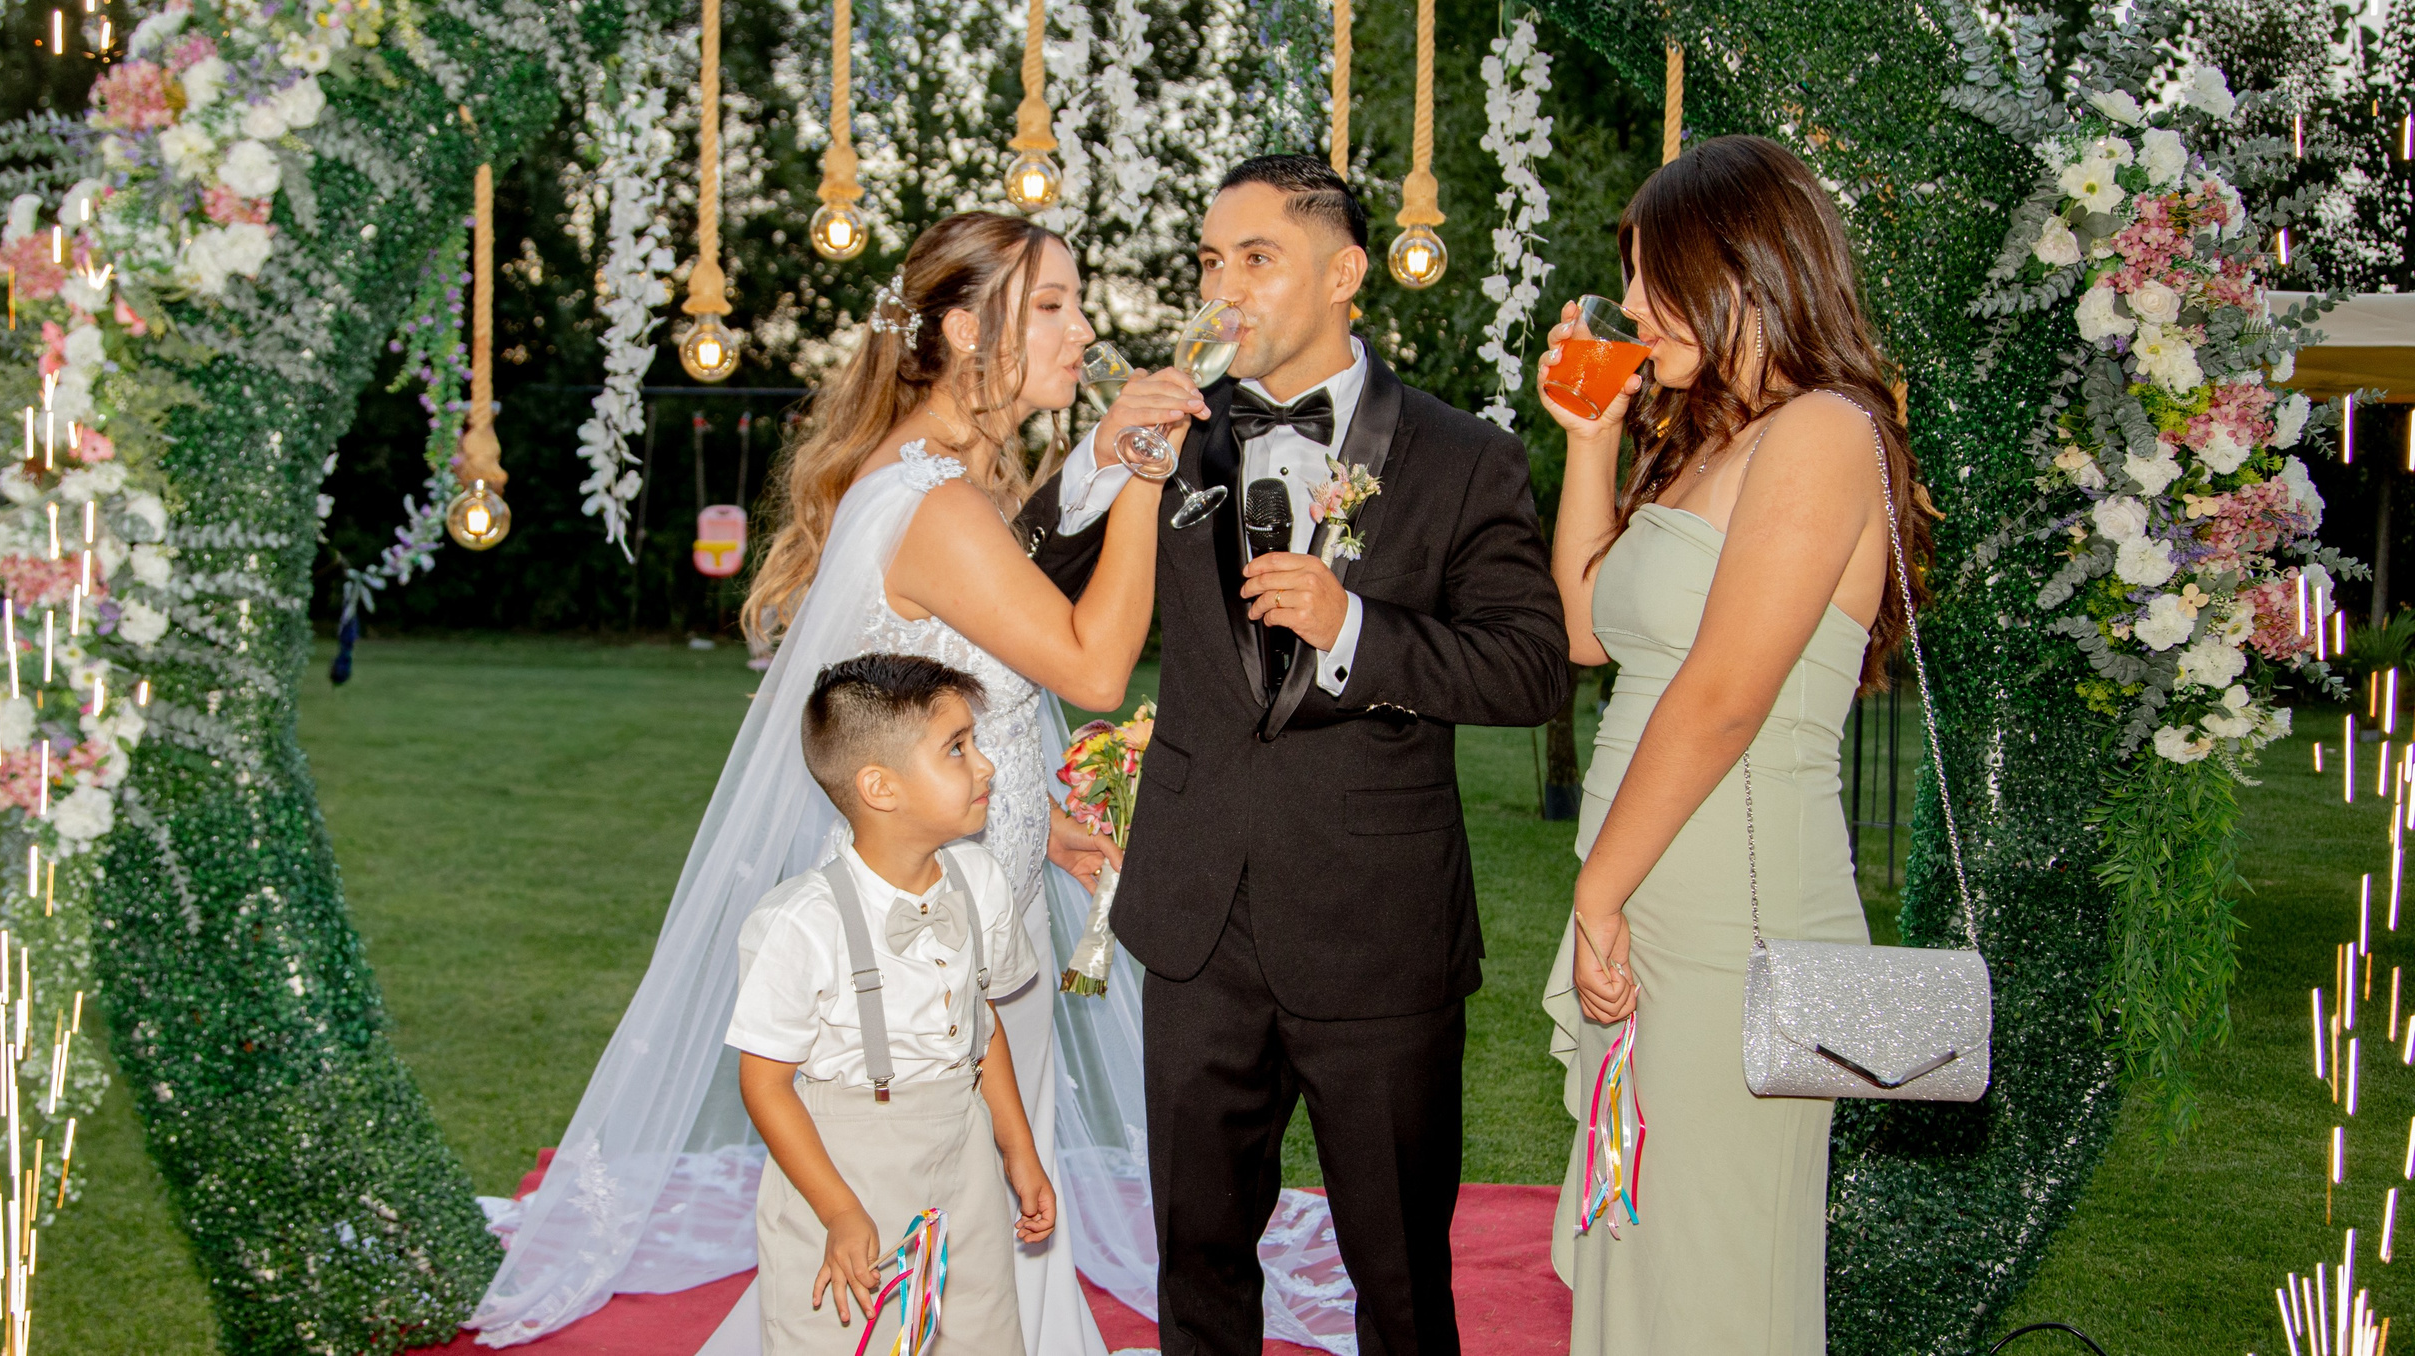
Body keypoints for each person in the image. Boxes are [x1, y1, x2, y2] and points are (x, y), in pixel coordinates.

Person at [471, 212, 1200, 1352]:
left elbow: (965, 700)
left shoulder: (937, 480)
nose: (1083, 330)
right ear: (967, 330)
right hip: (920, 949)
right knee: (940, 1227)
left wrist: (1045, 818)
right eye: (1053, 305)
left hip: (977, 907)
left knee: (992, 1215)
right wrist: (1147, 477)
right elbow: (1095, 669)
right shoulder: (934, 504)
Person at [1019, 154, 1574, 1355]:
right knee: (1197, 1268)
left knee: (1401, 1280)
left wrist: (1355, 631)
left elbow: (1531, 669)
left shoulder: (1461, 455)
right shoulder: (1169, 438)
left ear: (1344, 273)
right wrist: (1101, 457)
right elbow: (1018, 583)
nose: (1222, 291)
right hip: (1195, 916)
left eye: (1256, 260)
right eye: (1209, 263)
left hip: (1379, 924)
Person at [1534, 134, 1934, 1355]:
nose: (1634, 305)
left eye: (1654, 275)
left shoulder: (1824, 432)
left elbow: (1720, 696)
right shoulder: (1711, 440)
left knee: (1713, 1281)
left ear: (1743, 269)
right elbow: (1589, 629)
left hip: (1733, 918)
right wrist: (1589, 439)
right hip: (1654, 887)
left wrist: (1598, 893)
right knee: (1647, 1261)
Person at [732, 654, 1053, 1356]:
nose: (986, 766)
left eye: (975, 742)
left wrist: (1018, 1150)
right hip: (845, 1165)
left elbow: (982, 1025)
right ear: (880, 787)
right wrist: (839, 1210)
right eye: (957, 748)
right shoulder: (799, 923)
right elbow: (764, 1083)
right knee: (841, 1340)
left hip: (963, 1153)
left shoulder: (980, 880)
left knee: (981, 1334)